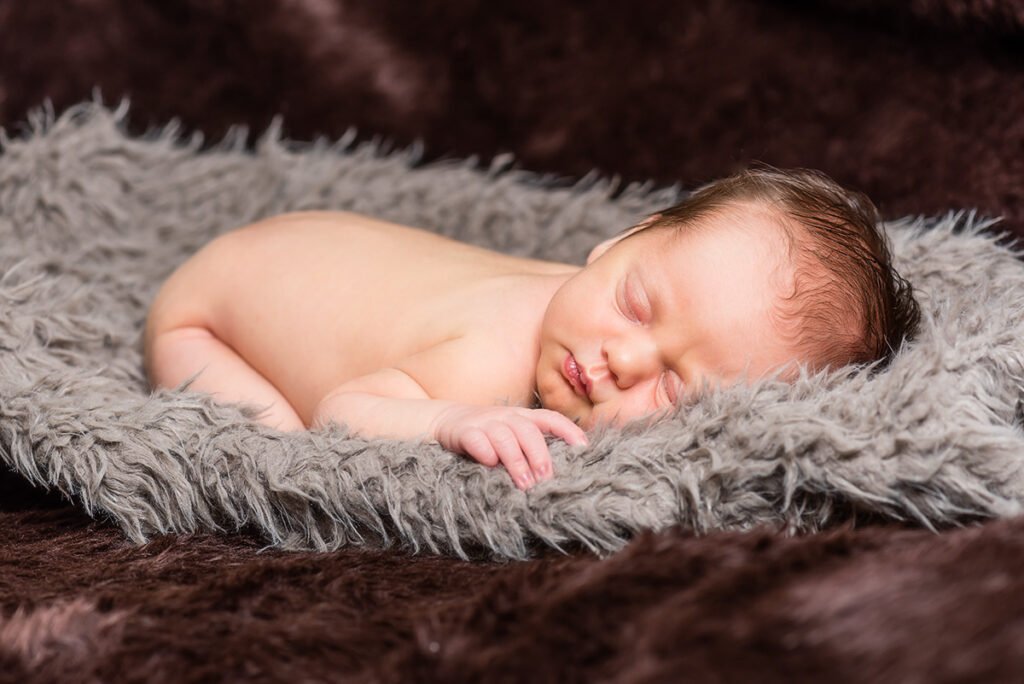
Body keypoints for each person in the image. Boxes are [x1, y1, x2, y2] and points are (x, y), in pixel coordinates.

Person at [144, 166, 920, 490]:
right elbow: (342, 407)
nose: (621, 357)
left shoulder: (582, 303)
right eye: (637, 305)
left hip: (308, 240)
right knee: (277, 451)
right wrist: (451, 419)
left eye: (676, 383)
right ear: (618, 242)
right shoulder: (487, 360)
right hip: (208, 311)